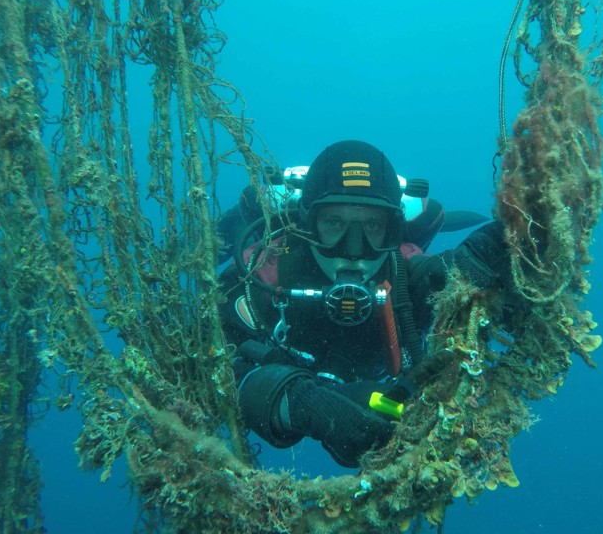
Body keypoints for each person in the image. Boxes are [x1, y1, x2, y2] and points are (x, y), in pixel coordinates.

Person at [218, 140, 508, 467]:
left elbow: (444, 276)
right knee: (234, 232)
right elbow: (214, 360)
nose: (352, 250)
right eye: (333, 224)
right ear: (305, 225)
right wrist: (300, 404)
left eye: (372, 226)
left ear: (393, 231)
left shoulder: (407, 270)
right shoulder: (264, 273)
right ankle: (232, 224)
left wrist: (483, 266)